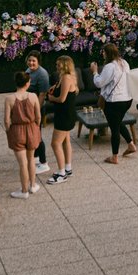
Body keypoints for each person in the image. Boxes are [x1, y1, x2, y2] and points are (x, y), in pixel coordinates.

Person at [91, 44, 136, 164]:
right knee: (117, 122)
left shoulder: (110, 67)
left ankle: (114, 157)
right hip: (127, 99)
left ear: (108, 53)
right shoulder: (125, 63)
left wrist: (95, 72)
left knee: (114, 128)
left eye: (104, 52)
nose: (103, 54)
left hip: (115, 101)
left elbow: (99, 83)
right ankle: (131, 144)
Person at [4, 71, 41, 199]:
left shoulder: (9, 99)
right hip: (31, 129)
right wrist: (35, 127)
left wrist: (9, 130)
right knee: (31, 159)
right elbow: (38, 116)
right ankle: (33, 185)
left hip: (17, 130)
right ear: (27, 83)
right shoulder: (33, 96)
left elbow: (7, 120)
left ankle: (24, 191)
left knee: (22, 163)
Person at [46, 54, 78, 184]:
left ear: (65, 65)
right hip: (67, 114)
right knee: (66, 142)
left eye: (59, 64)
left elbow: (62, 99)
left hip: (64, 115)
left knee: (55, 143)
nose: (56, 66)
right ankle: (68, 168)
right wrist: (55, 87)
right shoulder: (65, 77)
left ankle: (61, 173)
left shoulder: (65, 78)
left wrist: (51, 98)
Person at [25, 50, 52, 174]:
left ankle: (44, 162)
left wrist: (37, 112)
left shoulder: (42, 74)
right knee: (31, 135)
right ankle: (35, 158)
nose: (31, 63)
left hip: (37, 108)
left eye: (33, 61)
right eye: (30, 60)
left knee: (37, 135)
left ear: (38, 62)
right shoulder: (28, 71)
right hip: (28, 107)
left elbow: (42, 95)